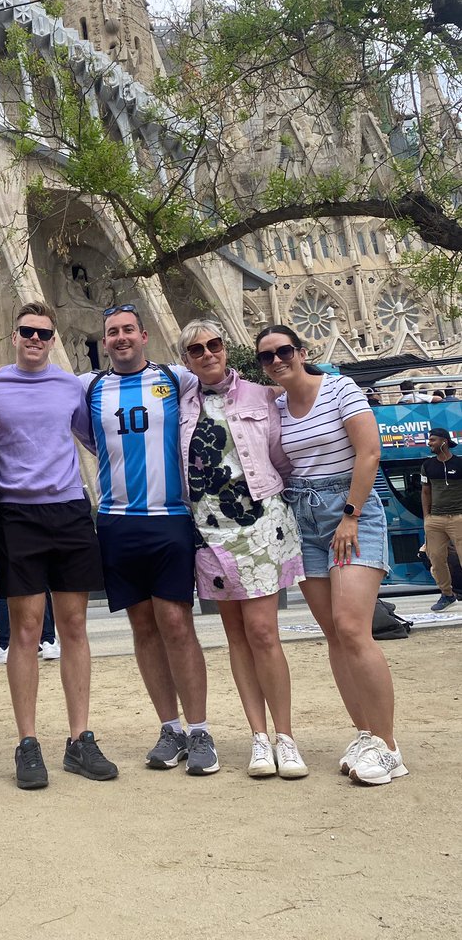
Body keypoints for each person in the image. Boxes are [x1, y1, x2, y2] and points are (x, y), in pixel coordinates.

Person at [255, 324, 407, 786]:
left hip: (349, 510)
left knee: (352, 627)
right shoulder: (277, 405)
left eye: (284, 351)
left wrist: (350, 515)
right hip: (303, 516)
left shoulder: (340, 388)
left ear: (302, 352)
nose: (277, 360)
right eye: (266, 356)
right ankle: (365, 733)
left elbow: (369, 453)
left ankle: (388, 746)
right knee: (334, 635)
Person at [0, 302, 117, 790]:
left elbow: (91, 436)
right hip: (17, 513)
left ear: (54, 339)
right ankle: (28, 742)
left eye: (43, 333)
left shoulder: (70, 386)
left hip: (69, 509)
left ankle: (80, 738)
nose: (35, 340)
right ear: (12, 335)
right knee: (26, 630)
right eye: (27, 332)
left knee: (75, 624)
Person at [86, 305, 219, 776]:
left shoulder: (175, 377)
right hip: (118, 521)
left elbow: (218, 375)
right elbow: (91, 439)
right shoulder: (91, 388)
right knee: (143, 628)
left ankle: (200, 729)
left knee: (176, 623)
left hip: (169, 518)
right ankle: (171, 727)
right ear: (104, 342)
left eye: (128, 330)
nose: (120, 338)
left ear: (144, 335)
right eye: (112, 333)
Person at [177, 320, 307, 778]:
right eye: (196, 349)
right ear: (187, 359)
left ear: (226, 349)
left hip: (258, 524)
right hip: (208, 530)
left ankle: (285, 738)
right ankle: (257, 736)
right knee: (236, 637)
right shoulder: (180, 405)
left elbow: (283, 457)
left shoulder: (261, 395)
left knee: (263, 633)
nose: (207, 353)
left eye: (214, 345)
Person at [420, 427, 462, 612]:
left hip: (458, 518)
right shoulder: (427, 466)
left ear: (444, 441)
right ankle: (447, 594)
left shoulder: (460, 463)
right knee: (435, 558)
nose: (429, 443)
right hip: (435, 519)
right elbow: (425, 491)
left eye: (433, 440)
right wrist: (426, 517)